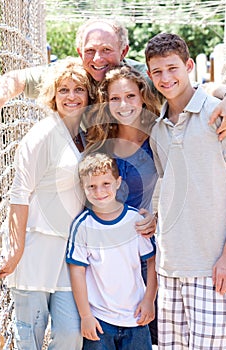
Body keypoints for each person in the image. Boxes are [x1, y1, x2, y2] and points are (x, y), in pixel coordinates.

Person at [0, 18, 226, 144]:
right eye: (89, 51)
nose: (97, 58)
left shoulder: (138, 79)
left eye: (106, 50)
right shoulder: (70, 75)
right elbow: (19, 79)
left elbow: (193, 88)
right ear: (80, 53)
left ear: (123, 52)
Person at [145, 32, 226, 349]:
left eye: (173, 68)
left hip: (215, 266)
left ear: (189, 66)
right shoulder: (157, 128)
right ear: (149, 75)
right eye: (158, 71)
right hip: (170, 267)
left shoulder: (220, 114)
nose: (166, 77)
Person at [0, 57, 97, 350]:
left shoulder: (83, 135)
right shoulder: (40, 135)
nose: (71, 96)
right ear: (52, 94)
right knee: (30, 338)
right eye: (63, 89)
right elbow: (19, 194)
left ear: (89, 95)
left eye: (78, 89)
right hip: (35, 248)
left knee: (70, 334)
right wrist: (15, 251)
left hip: (68, 252)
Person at [84, 64, 160, 344]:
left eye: (130, 96)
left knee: (144, 330)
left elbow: (180, 185)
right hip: (102, 254)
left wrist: (156, 217)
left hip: (141, 245)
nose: (123, 104)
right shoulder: (98, 139)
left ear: (142, 97)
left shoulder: (159, 135)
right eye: (114, 98)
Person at [66, 152, 158, 350]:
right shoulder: (82, 226)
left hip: (135, 318)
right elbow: (77, 271)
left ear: (118, 182)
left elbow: (152, 262)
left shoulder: (135, 221)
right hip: (99, 321)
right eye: (91, 186)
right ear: (83, 188)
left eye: (106, 184)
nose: (99, 192)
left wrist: (149, 299)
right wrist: (85, 316)